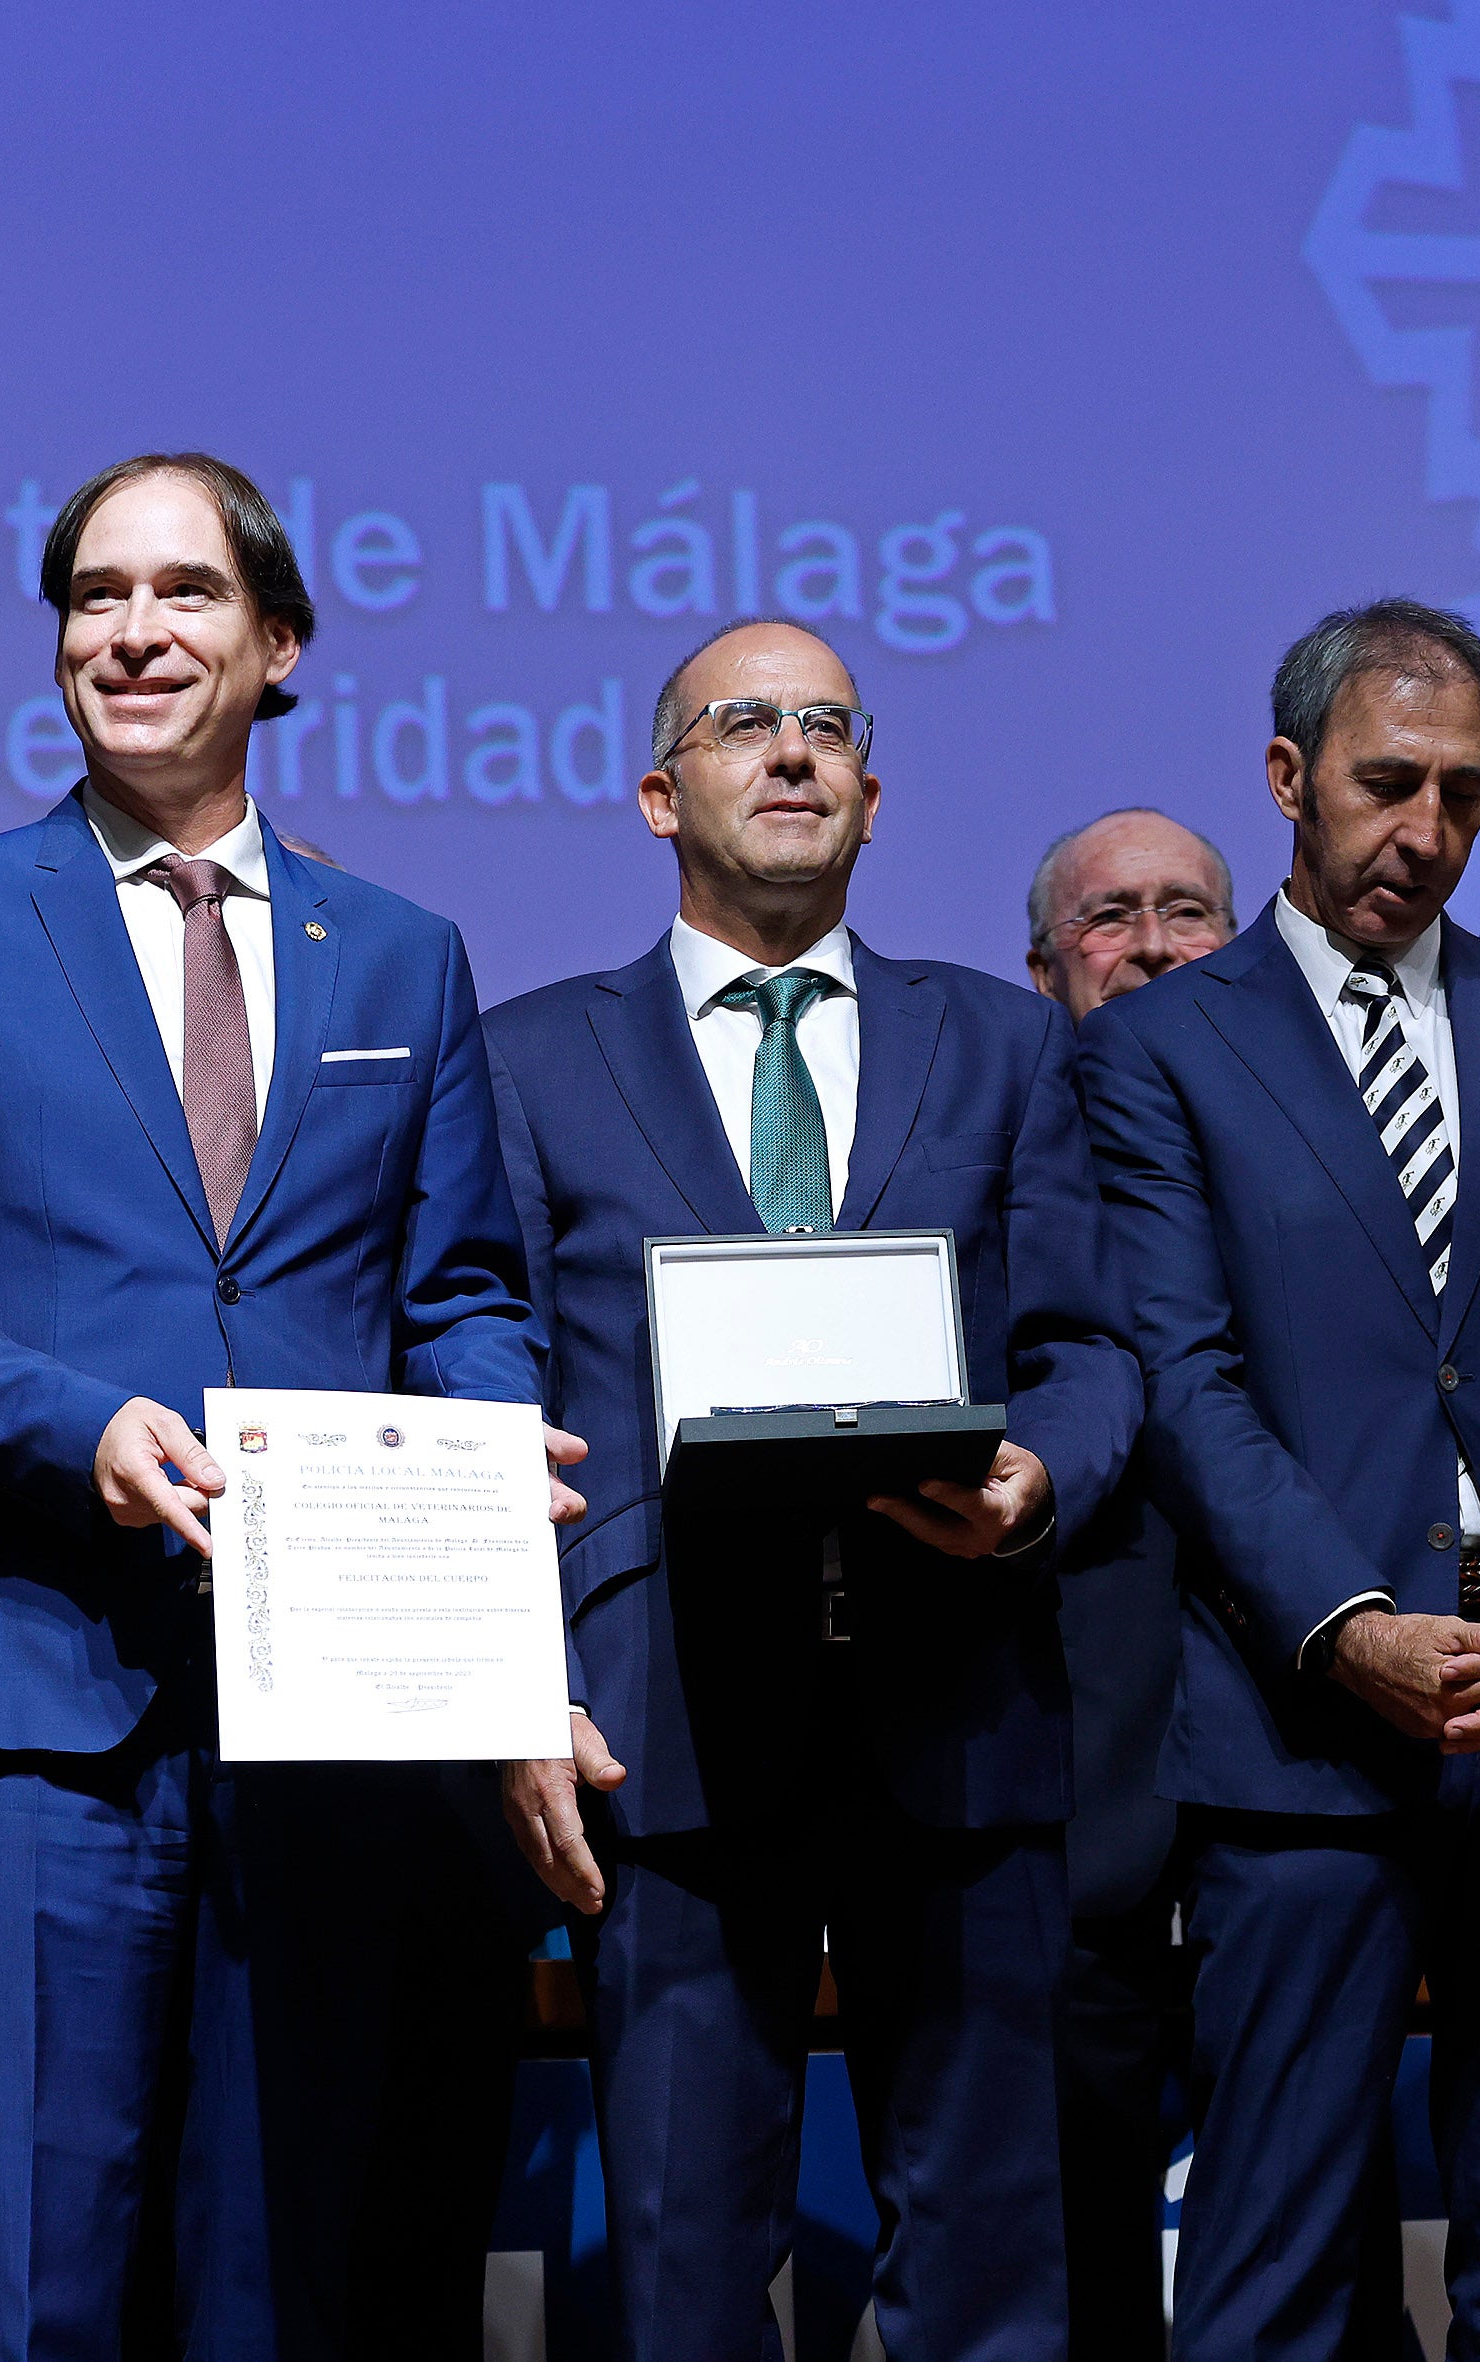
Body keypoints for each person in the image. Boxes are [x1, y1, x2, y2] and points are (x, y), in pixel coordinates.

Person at [0, 453, 567, 2360]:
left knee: (282, 2280)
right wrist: (80, 1432)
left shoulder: (399, 953)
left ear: (278, 644)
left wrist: (481, 1467)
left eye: (185, 593)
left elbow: (456, 1295)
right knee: (46, 2279)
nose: (132, 632)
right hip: (38, 1695)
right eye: (95, 598)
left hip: (335, 1715)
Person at [488, 618, 1140, 2360]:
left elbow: (1092, 1348)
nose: (791, 751)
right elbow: (491, 1394)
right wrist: (515, 1683)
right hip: (673, 1728)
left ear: (870, 795)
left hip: (962, 1719)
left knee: (997, 2266)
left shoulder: (1004, 1045)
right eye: (742, 723)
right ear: (655, 793)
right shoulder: (533, 1059)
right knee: (688, 2272)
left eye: (827, 728)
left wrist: (1036, 1478)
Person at [1078, 598, 1480, 2362]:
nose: (1420, 831)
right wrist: (1347, 1620)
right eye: (1383, 784)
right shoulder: (1158, 1048)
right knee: (1272, 2276)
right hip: (1299, 1745)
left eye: (1459, 792)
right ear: (1289, 779)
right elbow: (1180, 1380)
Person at [1025, 807, 1235, 2352]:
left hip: (1291, 1811)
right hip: (1070, 1823)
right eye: (1110, 919)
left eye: (1186, 913)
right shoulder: (989, 1159)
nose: (1151, 944)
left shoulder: (1320, 1156)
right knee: (1075, 2274)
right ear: (1041, 971)